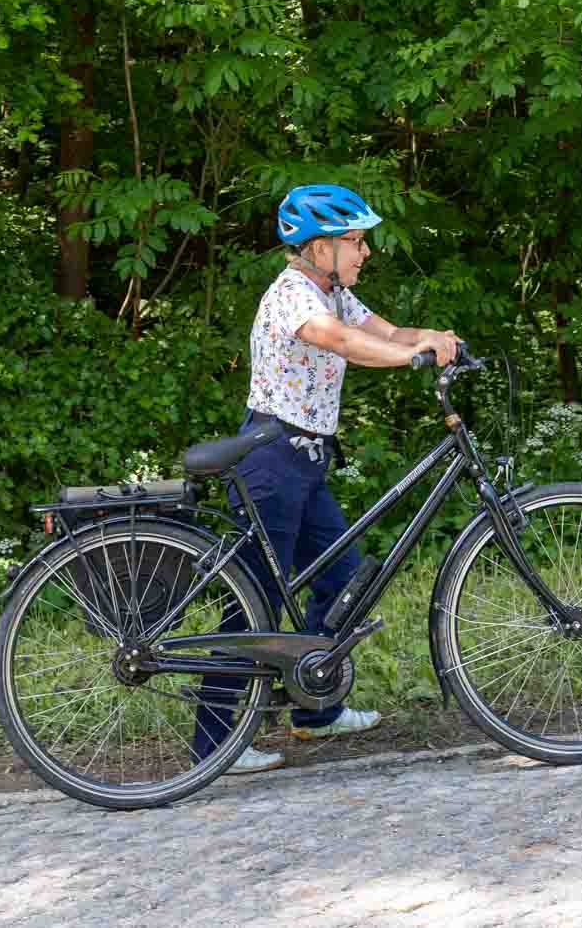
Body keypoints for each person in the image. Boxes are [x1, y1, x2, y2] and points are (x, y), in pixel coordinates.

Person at [190, 183, 460, 776]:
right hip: (271, 460)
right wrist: (410, 358)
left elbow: (383, 332)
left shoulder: (333, 293)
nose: (364, 252)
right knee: (252, 600)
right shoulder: (292, 296)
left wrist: (438, 340)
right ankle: (211, 746)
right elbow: (339, 343)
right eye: (354, 242)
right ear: (316, 249)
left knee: (343, 577)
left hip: (307, 460)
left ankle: (315, 706)